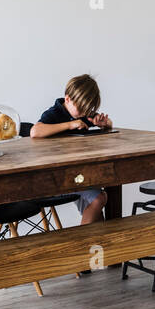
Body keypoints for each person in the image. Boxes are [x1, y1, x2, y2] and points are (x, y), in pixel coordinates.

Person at [31, 74, 113, 225]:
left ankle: (95, 245)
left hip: (78, 174)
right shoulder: (54, 113)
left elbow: (108, 122)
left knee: (98, 214)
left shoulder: (83, 113)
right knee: (99, 198)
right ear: (67, 99)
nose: (84, 114)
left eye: (88, 110)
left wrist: (104, 124)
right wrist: (70, 125)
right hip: (54, 176)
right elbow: (35, 132)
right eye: (81, 109)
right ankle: (81, 243)